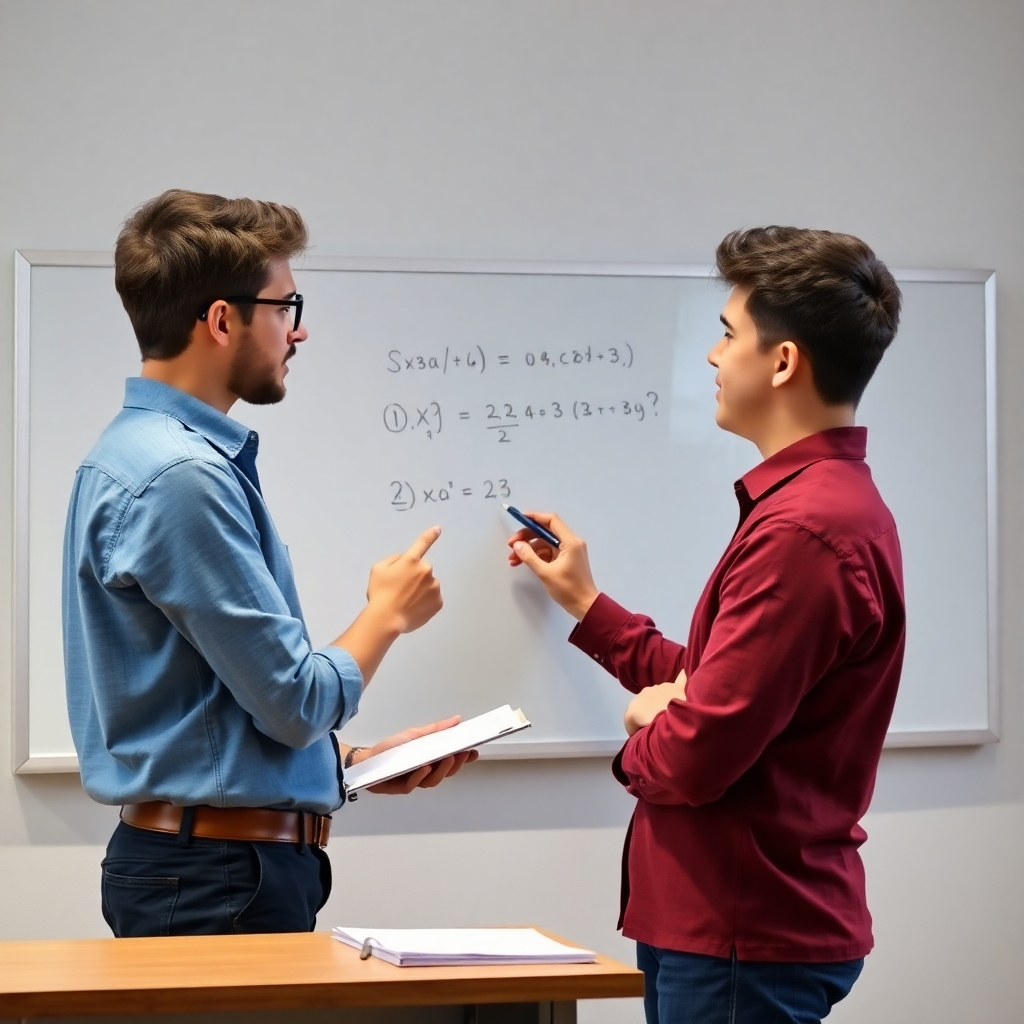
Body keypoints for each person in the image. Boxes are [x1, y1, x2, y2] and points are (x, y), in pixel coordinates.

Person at [508, 227, 905, 1024]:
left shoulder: (803, 532)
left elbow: (696, 751)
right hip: (736, 925)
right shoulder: (814, 509)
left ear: (783, 361)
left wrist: (642, 726)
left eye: (728, 335)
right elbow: (724, 685)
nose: (714, 358)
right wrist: (590, 606)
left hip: (743, 930)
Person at [63, 189, 476, 938]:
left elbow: (215, 712)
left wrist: (348, 762)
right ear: (223, 320)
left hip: (210, 871)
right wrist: (387, 614)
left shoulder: (143, 457)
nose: (301, 329)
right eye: (286, 306)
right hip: (217, 880)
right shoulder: (180, 478)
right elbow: (292, 703)